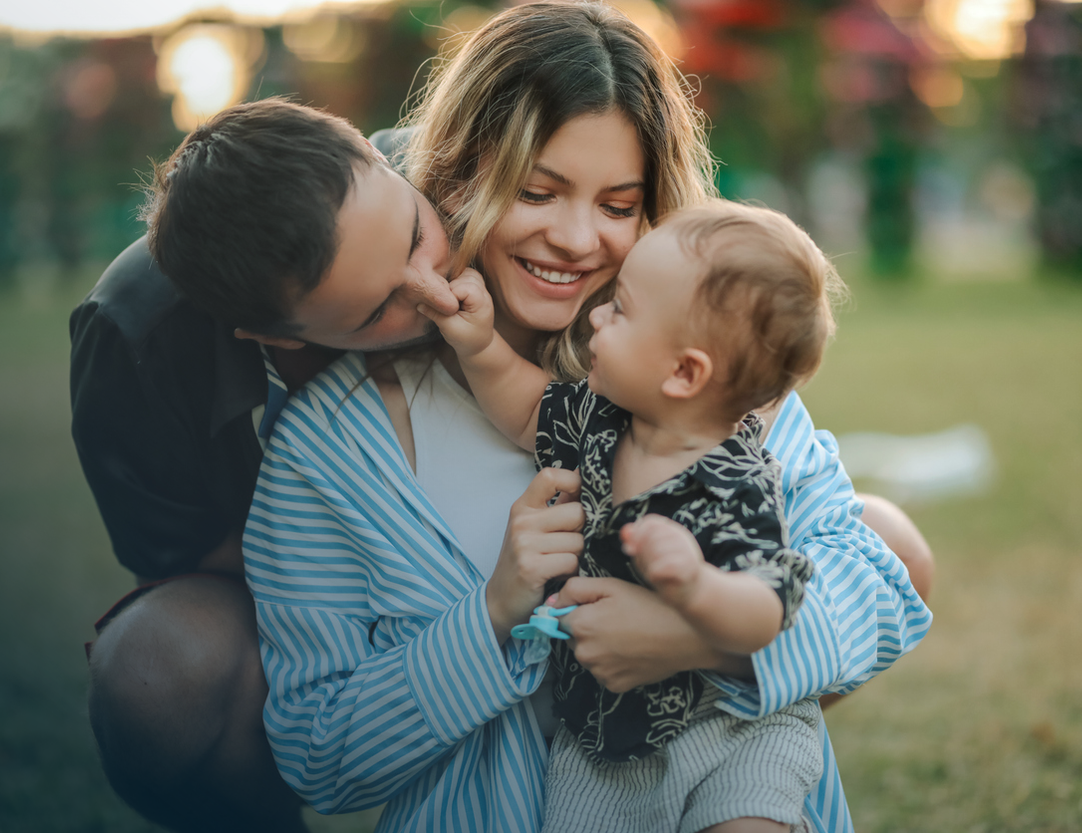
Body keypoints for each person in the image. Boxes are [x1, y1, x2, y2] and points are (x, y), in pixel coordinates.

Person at [72, 9, 933, 833]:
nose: (573, 237)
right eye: (536, 190)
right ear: (458, 172)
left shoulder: (697, 366)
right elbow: (316, 750)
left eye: (619, 204)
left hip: (721, 781)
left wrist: (695, 641)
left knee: (870, 533)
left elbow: (881, 586)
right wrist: (490, 617)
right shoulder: (331, 443)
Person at [423, 199, 845, 832]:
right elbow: (523, 405)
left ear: (683, 372)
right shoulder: (602, 420)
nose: (596, 314)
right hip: (601, 742)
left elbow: (768, 609)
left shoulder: (737, 482)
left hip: (734, 729)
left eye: (619, 309)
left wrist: (699, 588)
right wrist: (481, 347)